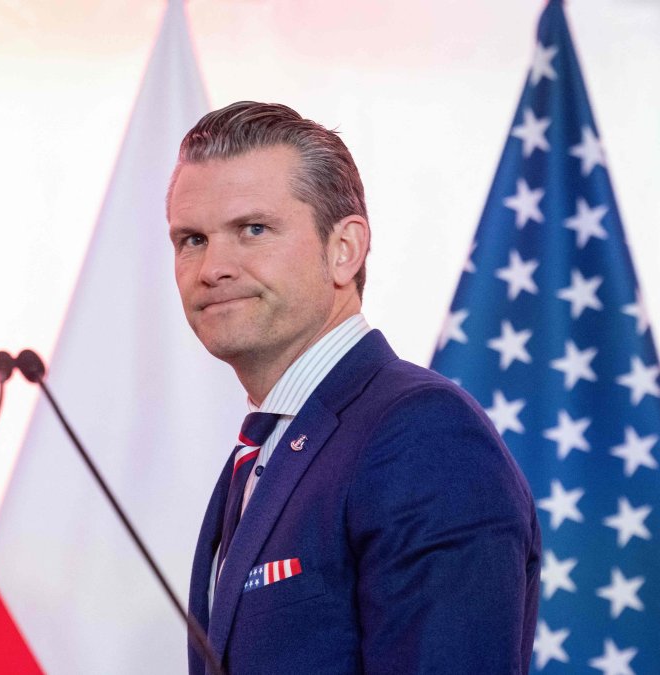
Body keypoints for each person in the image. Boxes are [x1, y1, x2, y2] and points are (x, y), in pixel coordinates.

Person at [167, 101, 541, 673]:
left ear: (345, 249)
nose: (212, 267)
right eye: (192, 239)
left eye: (253, 230)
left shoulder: (422, 434)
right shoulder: (268, 446)